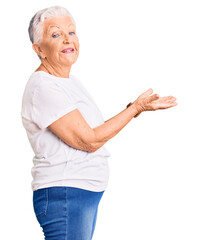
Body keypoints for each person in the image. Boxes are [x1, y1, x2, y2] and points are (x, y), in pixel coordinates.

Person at [21, 5, 177, 240]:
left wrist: (134, 110)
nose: (67, 39)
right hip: (66, 193)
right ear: (39, 49)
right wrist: (136, 108)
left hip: (79, 193)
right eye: (56, 34)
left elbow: (91, 131)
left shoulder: (68, 81)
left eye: (71, 32)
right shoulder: (44, 86)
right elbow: (88, 140)